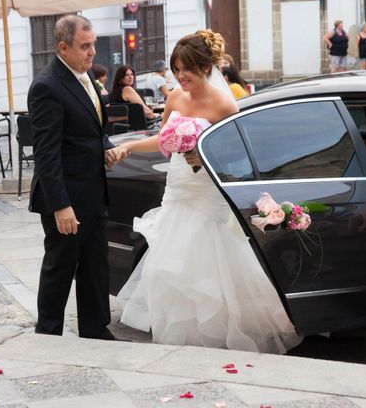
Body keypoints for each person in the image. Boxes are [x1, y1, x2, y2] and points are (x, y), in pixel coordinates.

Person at [113, 30, 302, 353]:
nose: (180, 76)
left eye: (186, 69)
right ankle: (180, 332)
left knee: (210, 261)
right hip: (177, 189)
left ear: (204, 68)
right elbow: (162, 141)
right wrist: (130, 146)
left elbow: (238, 153)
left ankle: (217, 334)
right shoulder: (174, 98)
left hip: (204, 190)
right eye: (176, 69)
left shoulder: (223, 103)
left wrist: (204, 154)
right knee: (168, 264)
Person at [27, 14, 121, 340]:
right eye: (85, 46)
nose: (92, 52)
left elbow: (91, 129)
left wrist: (105, 146)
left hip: (93, 192)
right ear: (63, 47)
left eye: (93, 44)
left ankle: (96, 329)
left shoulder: (87, 78)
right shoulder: (46, 86)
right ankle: (48, 332)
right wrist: (61, 206)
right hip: (66, 198)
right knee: (60, 267)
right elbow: (46, 153)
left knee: (96, 266)